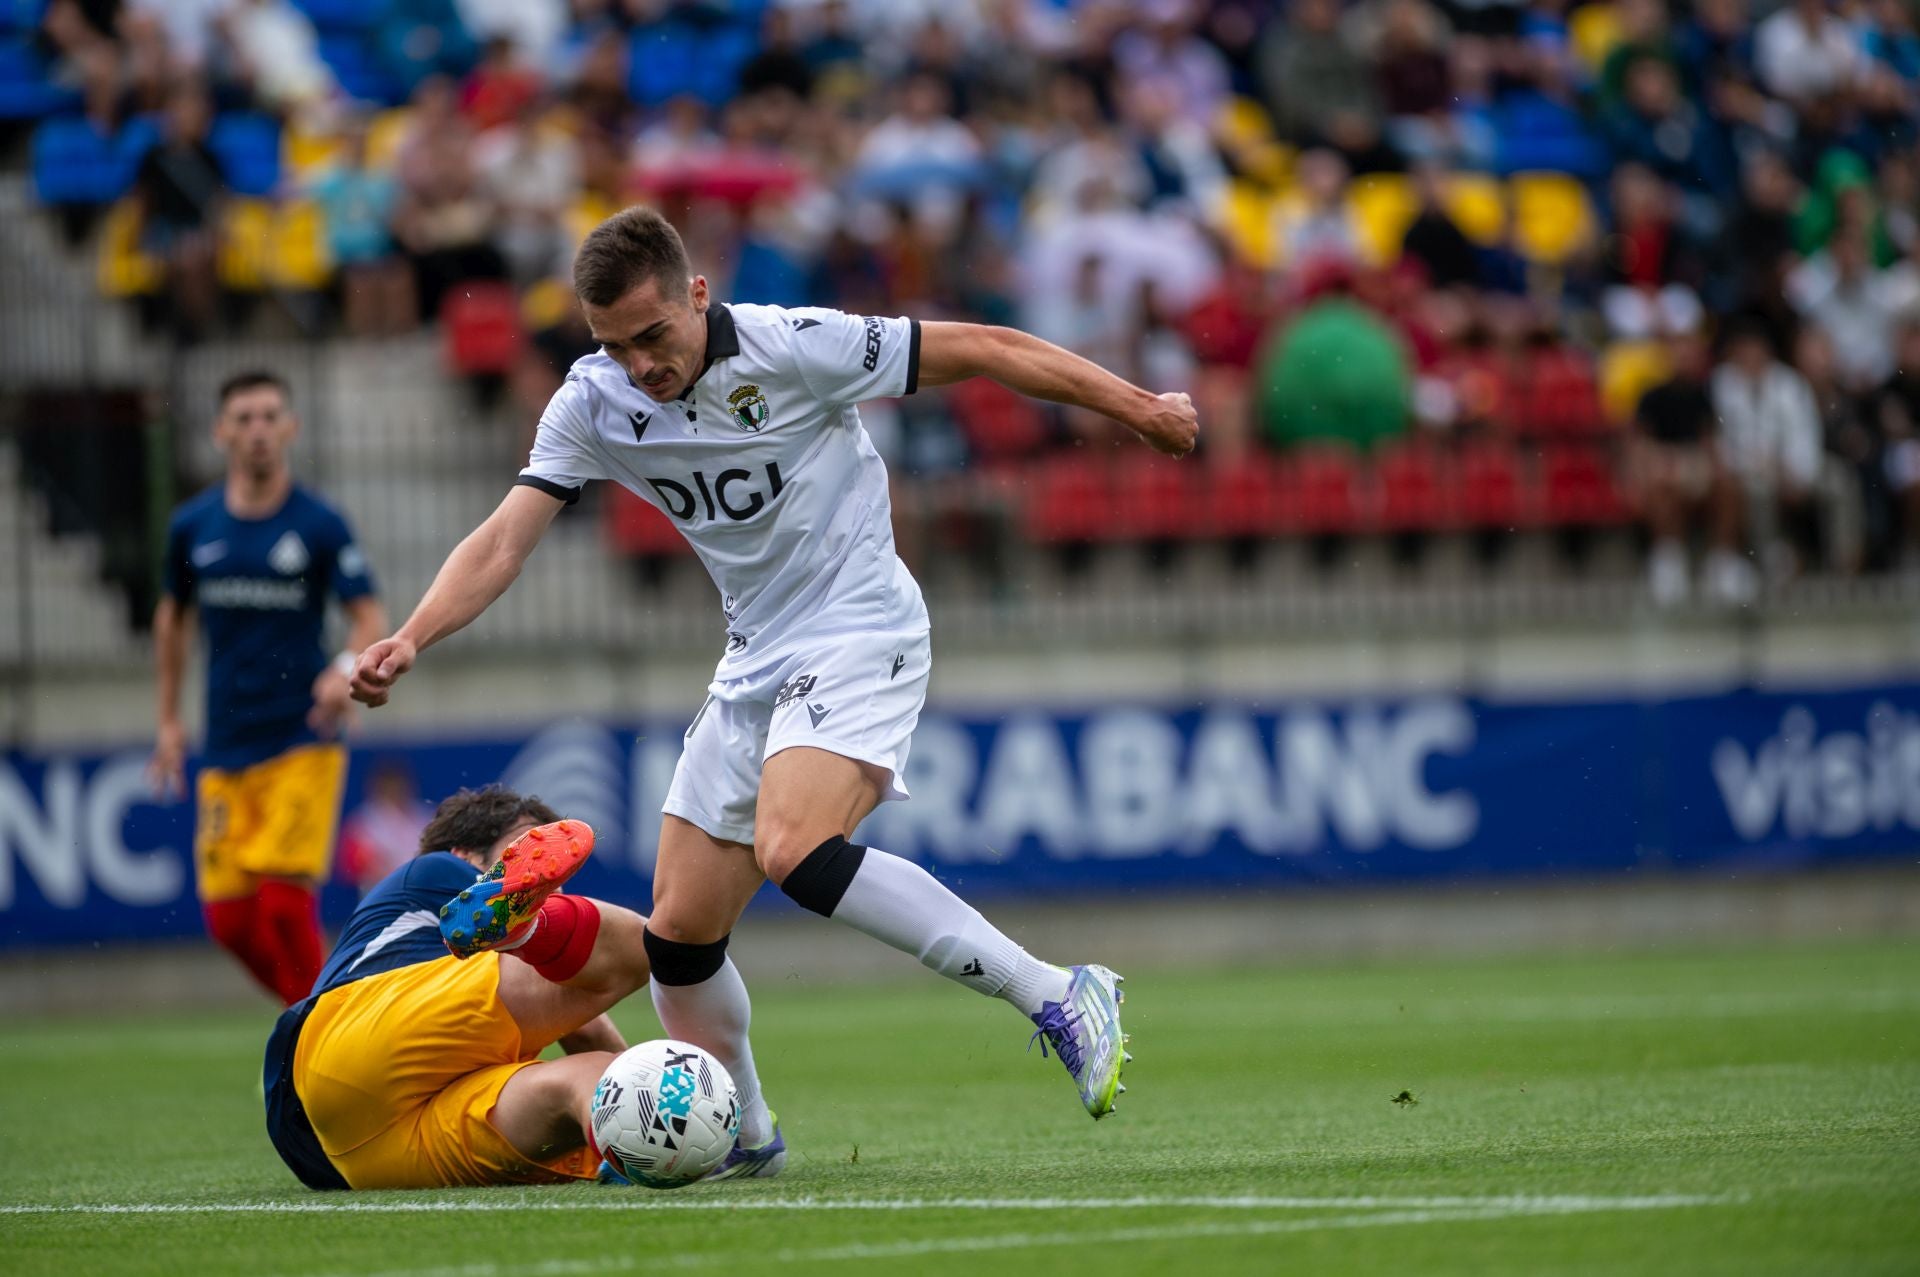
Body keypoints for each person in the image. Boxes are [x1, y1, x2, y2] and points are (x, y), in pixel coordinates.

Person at [352, 205, 1195, 1172]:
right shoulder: (591, 401)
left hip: (859, 623)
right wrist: (411, 635)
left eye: (653, 336)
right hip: (754, 656)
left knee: (794, 847)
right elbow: (506, 537)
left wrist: (1138, 407)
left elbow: (988, 346)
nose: (639, 366)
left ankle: (1056, 990)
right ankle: (749, 1137)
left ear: (697, 295)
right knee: (677, 935)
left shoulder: (796, 346)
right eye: (614, 345)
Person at [263, 788, 648, 1189]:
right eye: (527, 852)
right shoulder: (436, 869)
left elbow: (588, 1036)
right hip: (355, 1034)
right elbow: (588, 1021)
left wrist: (648, 1096)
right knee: (638, 947)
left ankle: (626, 1151)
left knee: (595, 1079)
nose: (548, 876)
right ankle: (526, 927)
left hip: (350, 1156)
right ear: (464, 855)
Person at [150, 371, 388, 1006]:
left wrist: (343, 669)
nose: (257, 431)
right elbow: (172, 619)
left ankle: (316, 1042)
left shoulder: (318, 523)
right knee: (229, 922)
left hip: (302, 736)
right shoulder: (192, 526)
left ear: (290, 428)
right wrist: (169, 719)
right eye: (244, 419)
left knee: (285, 905)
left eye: (269, 417)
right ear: (221, 432)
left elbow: (368, 616)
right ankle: (310, 1030)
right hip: (226, 742)